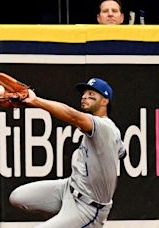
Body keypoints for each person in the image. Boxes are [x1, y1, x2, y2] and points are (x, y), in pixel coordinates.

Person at [9, 77, 126, 227]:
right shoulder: (109, 131)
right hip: (68, 189)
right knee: (17, 197)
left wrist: (36, 101)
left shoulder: (103, 127)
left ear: (105, 101)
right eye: (84, 93)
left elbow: (72, 115)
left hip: (88, 208)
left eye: (92, 94)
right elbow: (122, 152)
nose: (85, 96)